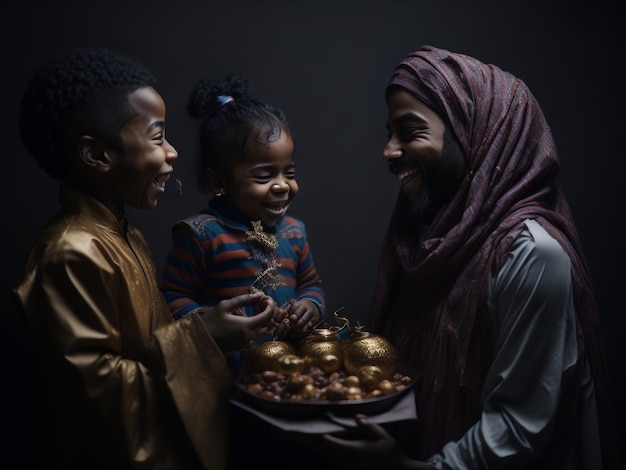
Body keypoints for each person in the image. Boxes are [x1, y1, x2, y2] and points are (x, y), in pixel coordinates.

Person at [321, 45, 624, 469]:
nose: (389, 152)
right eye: (389, 134)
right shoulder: (433, 243)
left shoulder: (531, 255)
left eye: (409, 132)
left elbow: (517, 429)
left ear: (473, 134)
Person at [13, 46, 282, 469]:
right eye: (158, 137)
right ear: (97, 154)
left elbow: (144, 348)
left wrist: (205, 324)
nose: (172, 152)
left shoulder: (123, 233)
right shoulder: (71, 252)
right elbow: (99, 394)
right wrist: (202, 337)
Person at [160, 74, 326, 371]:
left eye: (288, 172)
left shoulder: (294, 233)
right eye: (264, 176)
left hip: (289, 370)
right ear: (219, 181)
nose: (282, 186)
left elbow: (311, 285)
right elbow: (170, 296)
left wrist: (310, 306)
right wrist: (209, 321)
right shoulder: (202, 235)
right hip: (225, 374)